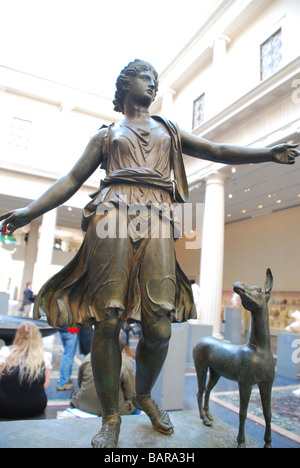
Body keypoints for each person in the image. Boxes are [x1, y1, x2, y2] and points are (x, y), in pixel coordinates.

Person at [0, 59, 298, 447]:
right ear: (126, 84)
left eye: (157, 80)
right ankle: (111, 417)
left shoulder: (167, 129)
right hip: (113, 212)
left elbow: (217, 150)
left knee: (158, 325)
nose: (154, 84)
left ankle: (142, 394)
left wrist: (266, 153)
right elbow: (72, 179)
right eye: (147, 78)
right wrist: (28, 211)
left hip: (157, 214)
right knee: (108, 317)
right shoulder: (106, 135)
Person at [70, 332, 136, 416]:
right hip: (114, 409)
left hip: (84, 405)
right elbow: (129, 393)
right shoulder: (125, 363)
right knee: (136, 403)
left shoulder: (88, 357)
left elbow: (80, 382)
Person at [0, 321, 52, 419]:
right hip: (36, 407)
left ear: (18, 336)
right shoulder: (44, 357)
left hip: (5, 407)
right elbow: (44, 385)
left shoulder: (5, 353)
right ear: (37, 337)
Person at [56, 326, 79, 391]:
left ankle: (66, 378)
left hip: (62, 329)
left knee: (68, 356)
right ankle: (62, 382)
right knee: (68, 357)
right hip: (70, 330)